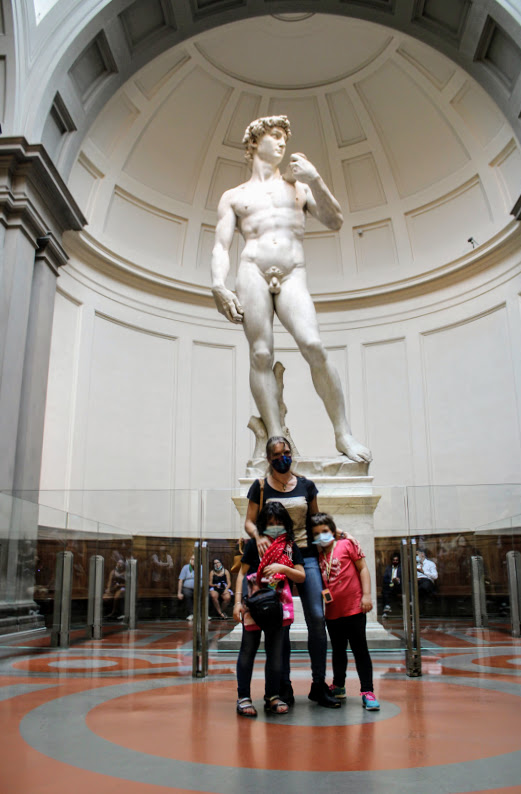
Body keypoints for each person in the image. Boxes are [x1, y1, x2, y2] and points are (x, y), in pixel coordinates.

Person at [211, 114, 371, 464]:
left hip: (292, 273)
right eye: (275, 135)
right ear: (255, 142)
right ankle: (276, 439)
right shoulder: (234, 196)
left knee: (313, 345)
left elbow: (335, 220)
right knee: (260, 355)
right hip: (252, 270)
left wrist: (315, 178)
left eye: (285, 136)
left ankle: (343, 433)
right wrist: (218, 285)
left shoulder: (299, 188)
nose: (282, 141)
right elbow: (221, 246)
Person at [244, 435, 340, 708]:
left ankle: (318, 684)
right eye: (276, 455)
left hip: (305, 556)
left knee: (317, 617)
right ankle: (283, 686)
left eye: (285, 452)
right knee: (280, 623)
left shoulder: (306, 485)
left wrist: (336, 534)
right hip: (275, 556)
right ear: (269, 458)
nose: (282, 457)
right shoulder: (260, 486)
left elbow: (316, 520)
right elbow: (249, 521)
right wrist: (257, 537)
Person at [234, 501, 305, 717]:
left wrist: (283, 568)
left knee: (275, 653)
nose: (275, 527)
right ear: (263, 524)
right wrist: (237, 602)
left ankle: (272, 696)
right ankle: (243, 697)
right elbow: (241, 573)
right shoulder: (254, 544)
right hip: (253, 602)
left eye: (278, 523)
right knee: (248, 649)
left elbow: (301, 576)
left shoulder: (290, 547)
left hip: (279, 604)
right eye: (270, 523)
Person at [311, 513, 380, 711]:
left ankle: (367, 691)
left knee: (360, 650)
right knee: (338, 651)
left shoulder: (347, 544)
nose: (322, 536)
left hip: (355, 609)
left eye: (325, 531)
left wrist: (366, 596)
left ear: (332, 531)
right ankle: (339, 685)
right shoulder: (317, 555)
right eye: (317, 533)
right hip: (333, 612)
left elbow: (363, 569)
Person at [150, 544, 174, 619]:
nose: (162, 552)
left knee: (167, 597)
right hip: (157, 580)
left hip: (166, 580)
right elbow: (158, 564)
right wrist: (166, 565)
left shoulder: (168, 556)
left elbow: (171, 565)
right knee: (157, 597)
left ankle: (168, 614)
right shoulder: (154, 556)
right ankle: (156, 614)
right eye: (161, 551)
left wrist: (164, 566)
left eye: (164, 551)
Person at [382, 552, 402, 618]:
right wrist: (391, 580)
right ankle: (387, 606)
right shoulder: (388, 568)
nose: (395, 562)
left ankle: (387, 605)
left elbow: (404, 579)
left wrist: (398, 580)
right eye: (394, 560)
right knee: (386, 589)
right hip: (389, 584)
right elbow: (385, 578)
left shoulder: (401, 568)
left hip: (398, 586)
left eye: (396, 560)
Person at [177, 554, 195, 621]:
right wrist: (179, 593)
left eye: (195, 559)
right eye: (192, 559)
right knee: (187, 594)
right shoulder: (186, 567)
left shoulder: (201, 567)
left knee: (205, 595)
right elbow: (180, 580)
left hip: (199, 588)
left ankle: (203, 614)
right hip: (187, 588)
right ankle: (191, 614)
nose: (193, 561)